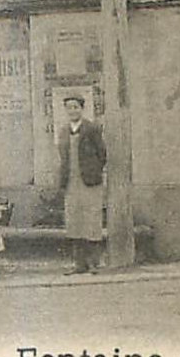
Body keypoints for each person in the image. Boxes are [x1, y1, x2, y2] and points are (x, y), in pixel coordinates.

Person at [57, 96, 107, 274]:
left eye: (76, 107)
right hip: (71, 181)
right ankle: (79, 264)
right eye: (69, 108)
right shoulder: (63, 131)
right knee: (74, 221)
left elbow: (102, 153)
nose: (72, 111)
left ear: (82, 109)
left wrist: (93, 171)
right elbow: (62, 156)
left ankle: (94, 263)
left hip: (89, 181)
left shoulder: (92, 128)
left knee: (91, 220)